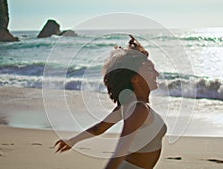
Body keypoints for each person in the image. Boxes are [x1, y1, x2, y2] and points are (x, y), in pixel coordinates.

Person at [55, 35, 167, 169]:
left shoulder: (128, 106)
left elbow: (99, 128)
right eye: (150, 70)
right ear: (135, 79)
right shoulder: (139, 109)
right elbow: (121, 150)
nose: (157, 74)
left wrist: (72, 141)